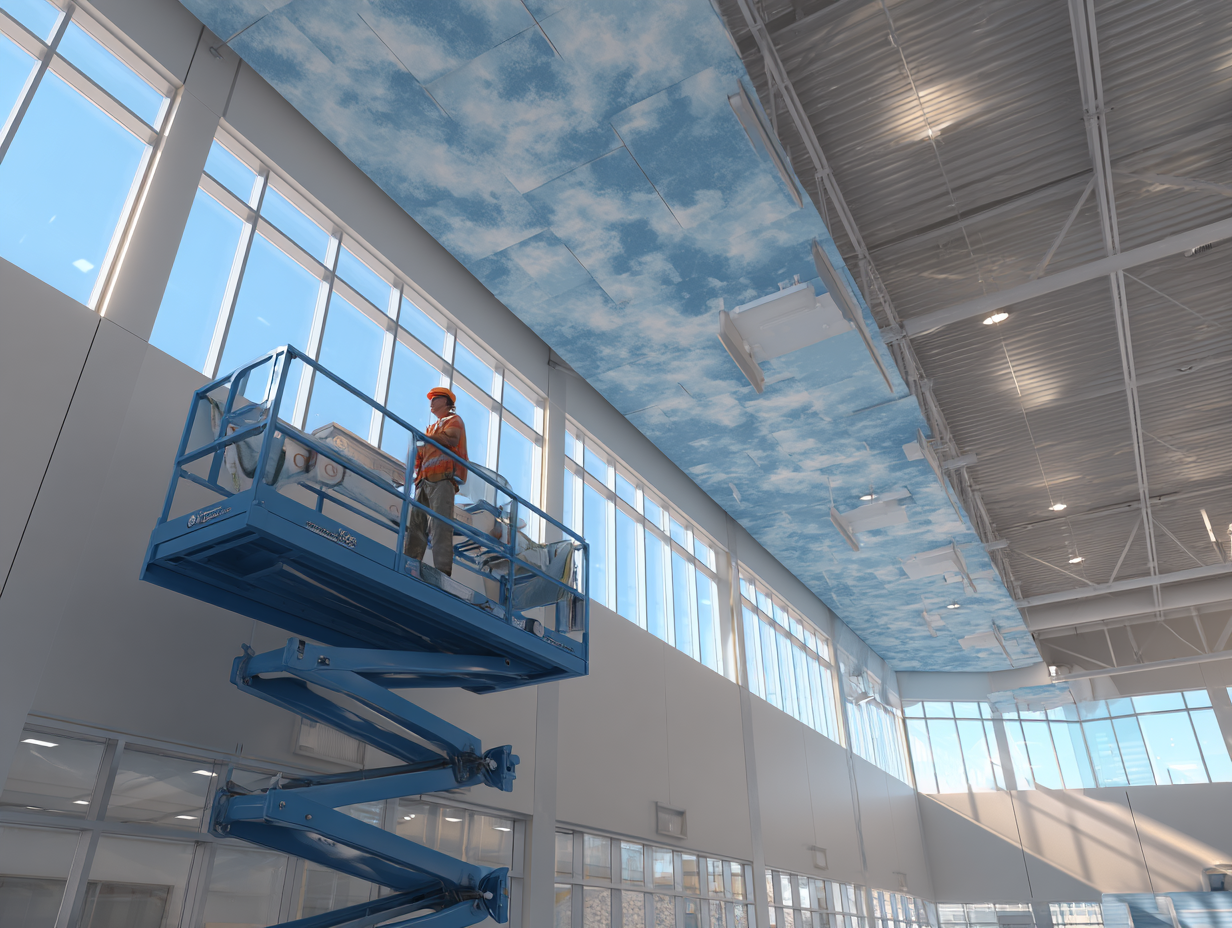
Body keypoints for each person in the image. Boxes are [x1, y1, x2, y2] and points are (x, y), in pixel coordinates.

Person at [404, 386, 467, 576]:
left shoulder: (454, 420)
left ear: (447, 402)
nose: (431, 402)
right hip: (423, 483)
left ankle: (442, 573)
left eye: (435, 399)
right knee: (416, 528)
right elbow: (420, 456)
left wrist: (426, 438)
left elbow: (452, 439)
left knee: (440, 527)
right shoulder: (430, 429)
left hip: (442, 480)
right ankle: (410, 566)